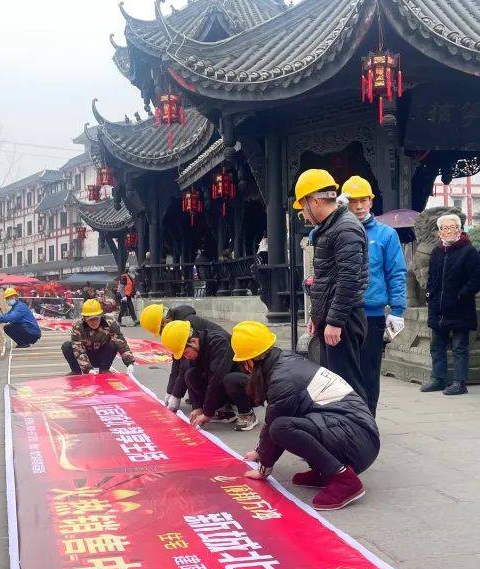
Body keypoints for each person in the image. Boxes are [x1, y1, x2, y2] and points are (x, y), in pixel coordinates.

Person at [233, 321, 379, 511]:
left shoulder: (282, 378)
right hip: (356, 434)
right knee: (285, 424)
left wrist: (264, 468)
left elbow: (273, 426)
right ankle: (323, 471)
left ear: (250, 362)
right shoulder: (285, 363)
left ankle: (344, 480)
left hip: (357, 440)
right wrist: (260, 452)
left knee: (282, 427)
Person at [294, 169, 369, 403]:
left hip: (344, 319)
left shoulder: (345, 228)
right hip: (334, 316)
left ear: (314, 201)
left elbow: (349, 280)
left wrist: (335, 321)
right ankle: (340, 432)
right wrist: (317, 316)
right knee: (333, 382)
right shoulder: (330, 227)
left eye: (304, 208)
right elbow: (325, 279)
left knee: (347, 384)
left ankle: (359, 434)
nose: (304, 215)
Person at [341, 175, 407, 414]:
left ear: (371, 201)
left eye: (363, 200)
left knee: (369, 371)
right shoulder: (337, 229)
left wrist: (398, 310)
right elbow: (315, 238)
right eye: (352, 201)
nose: (358, 206)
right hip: (342, 313)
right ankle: (348, 418)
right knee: (343, 371)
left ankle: (367, 419)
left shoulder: (386, 234)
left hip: (372, 314)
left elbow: (396, 272)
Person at [160, 319, 258, 431]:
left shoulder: (219, 343)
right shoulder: (198, 348)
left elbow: (216, 379)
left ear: (193, 342)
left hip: (248, 386)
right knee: (191, 374)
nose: (186, 357)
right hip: (223, 385)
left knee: (230, 379)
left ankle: (247, 414)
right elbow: (188, 374)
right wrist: (197, 407)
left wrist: (207, 413)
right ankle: (224, 411)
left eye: (185, 353)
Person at [423, 214, 480, 395]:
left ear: (459, 229)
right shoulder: (437, 251)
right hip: (438, 307)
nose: (448, 231)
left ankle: (459, 382)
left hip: (460, 307)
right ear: (440, 232)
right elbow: (432, 278)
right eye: (444, 228)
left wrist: (460, 296)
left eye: (452, 227)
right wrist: (429, 296)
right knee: (437, 345)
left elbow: (475, 280)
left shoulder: (469, 250)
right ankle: (438, 378)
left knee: (459, 346)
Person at [140, 302, 197, 411]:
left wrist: (176, 395)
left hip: (221, 366)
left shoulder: (188, 324)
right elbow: (176, 361)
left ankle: (222, 405)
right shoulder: (177, 325)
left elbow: (185, 365)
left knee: (191, 371)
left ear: (166, 321)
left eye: (161, 331)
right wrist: (170, 391)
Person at [62, 299, 136, 375]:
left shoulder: (111, 322)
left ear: (101, 315)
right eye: (91, 319)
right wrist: (88, 369)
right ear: (84, 318)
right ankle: (76, 371)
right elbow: (78, 349)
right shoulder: (78, 326)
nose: (94, 322)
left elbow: (121, 343)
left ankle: (104, 370)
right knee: (67, 346)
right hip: (87, 355)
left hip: (103, 356)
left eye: (96, 318)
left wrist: (130, 363)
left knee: (113, 343)